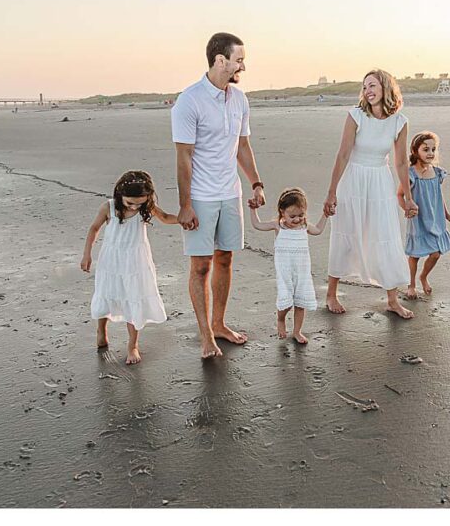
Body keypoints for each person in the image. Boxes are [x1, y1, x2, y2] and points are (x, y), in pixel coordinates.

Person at [172, 33, 266, 358]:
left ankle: (219, 324)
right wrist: (185, 205)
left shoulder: (240, 99)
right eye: (239, 59)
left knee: (225, 258)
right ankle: (205, 337)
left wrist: (256, 183)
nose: (244, 65)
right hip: (200, 196)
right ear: (220, 60)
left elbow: (242, 146)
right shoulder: (189, 100)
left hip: (231, 193)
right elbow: (183, 156)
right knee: (201, 266)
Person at [323, 69, 418, 318]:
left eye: (373, 85)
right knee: (346, 231)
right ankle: (331, 293)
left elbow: (400, 163)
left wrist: (408, 198)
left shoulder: (400, 121)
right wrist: (332, 192)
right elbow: (343, 154)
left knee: (385, 234)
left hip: (380, 180)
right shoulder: (356, 116)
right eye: (365, 87)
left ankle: (392, 300)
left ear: (386, 88)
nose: (368, 91)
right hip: (353, 179)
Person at [80, 170, 177, 364]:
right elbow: (94, 228)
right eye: (130, 203)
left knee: (134, 298)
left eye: (139, 203)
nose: (134, 207)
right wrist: (87, 254)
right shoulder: (108, 207)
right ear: (119, 195)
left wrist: (183, 219)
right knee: (106, 294)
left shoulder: (145, 208)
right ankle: (101, 330)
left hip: (136, 261)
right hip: (112, 260)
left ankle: (132, 345)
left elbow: (165, 217)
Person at [249, 188, 328, 344]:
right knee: (286, 300)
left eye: (301, 215)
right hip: (285, 270)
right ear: (282, 212)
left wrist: (325, 215)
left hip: (302, 270)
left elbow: (318, 230)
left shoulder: (304, 226)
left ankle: (297, 331)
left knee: (300, 302)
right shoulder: (278, 226)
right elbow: (257, 225)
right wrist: (253, 210)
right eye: (292, 216)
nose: (297, 219)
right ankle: (281, 319)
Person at [398, 131, 450, 299]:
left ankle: (423, 276)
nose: (431, 153)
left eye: (433, 149)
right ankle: (411, 284)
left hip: (436, 218)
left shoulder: (437, 172)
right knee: (415, 255)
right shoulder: (410, 174)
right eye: (426, 149)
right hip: (418, 219)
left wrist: (447, 214)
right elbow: (399, 194)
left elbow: (438, 195)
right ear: (415, 151)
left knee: (435, 253)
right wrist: (406, 207)